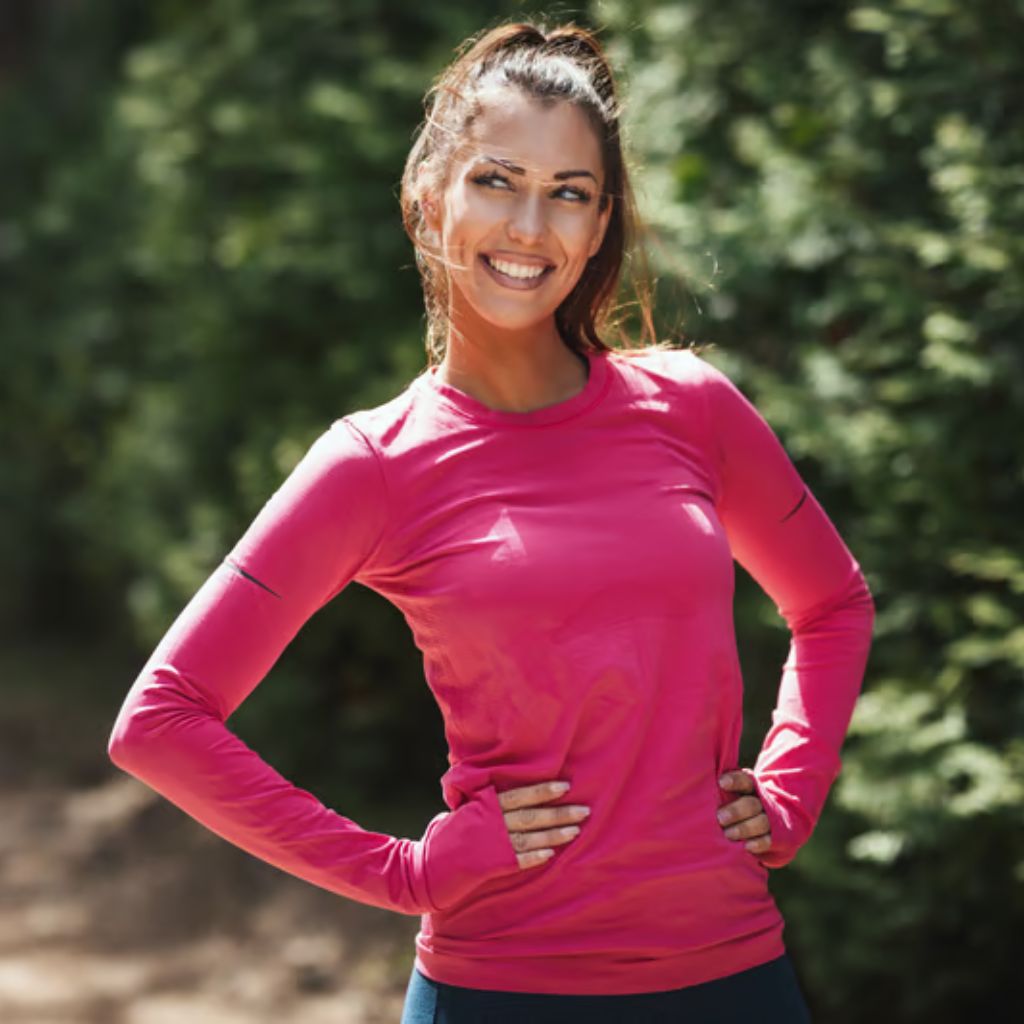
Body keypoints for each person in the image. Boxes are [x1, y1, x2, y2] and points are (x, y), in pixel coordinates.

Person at [107, 18, 875, 1024]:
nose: (528, 226)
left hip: (731, 977)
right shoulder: (372, 466)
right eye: (497, 180)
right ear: (431, 198)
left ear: (600, 227)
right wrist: (403, 871)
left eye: (569, 195)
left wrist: (792, 788)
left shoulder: (690, 407)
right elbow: (161, 723)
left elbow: (831, 601)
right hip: (501, 990)